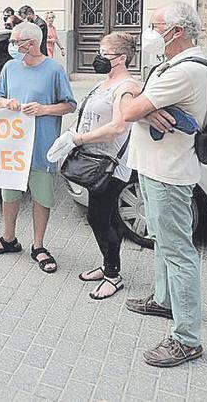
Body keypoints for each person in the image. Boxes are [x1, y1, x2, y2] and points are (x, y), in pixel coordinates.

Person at [119, 1, 207, 368]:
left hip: (169, 173)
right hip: (156, 167)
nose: (151, 32)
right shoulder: (171, 65)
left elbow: (127, 108)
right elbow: (137, 107)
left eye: (157, 26)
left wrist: (131, 98)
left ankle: (187, 337)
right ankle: (164, 299)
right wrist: (145, 109)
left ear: (178, 31)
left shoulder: (186, 70)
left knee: (178, 251)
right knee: (163, 241)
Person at [0, 22, 76, 272]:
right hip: (12, 147)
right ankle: (8, 238)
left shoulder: (54, 70)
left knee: (41, 197)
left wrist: (44, 109)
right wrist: (7, 103)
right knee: (9, 194)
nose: (12, 46)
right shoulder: (10, 67)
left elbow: (70, 105)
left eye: (16, 42)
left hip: (42, 146)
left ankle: (38, 246)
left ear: (32, 43)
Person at [67, 33, 140, 299]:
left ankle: (113, 275)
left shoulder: (126, 88)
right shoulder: (106, 82)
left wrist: (82, 138)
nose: (98, 56)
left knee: (97, 217)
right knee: (105, 216)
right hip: (95, 158)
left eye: (104, 52)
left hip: (111, 164)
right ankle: (108, 264)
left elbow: (119, 126)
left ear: (120, 58)